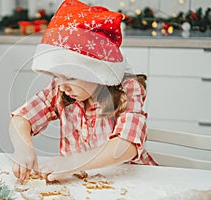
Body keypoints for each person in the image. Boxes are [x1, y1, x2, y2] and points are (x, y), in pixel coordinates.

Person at [9, 0, 158, 184]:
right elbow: (21, 118)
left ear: (97, 71)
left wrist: (72, 162)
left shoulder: (127, 89)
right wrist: (23, 146)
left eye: (71, 77)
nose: (63, 86)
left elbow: (126, 145)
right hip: (84, 183)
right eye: (58, 76)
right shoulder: (60, 88)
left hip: (131, 182)